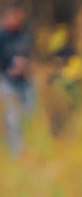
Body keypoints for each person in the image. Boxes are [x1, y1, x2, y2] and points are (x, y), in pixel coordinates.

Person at [0, 5, 31, 158]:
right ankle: (15, 154)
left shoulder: (25, 33)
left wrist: (22, 65)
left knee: (27, 116)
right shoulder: (1, 36)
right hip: (6, 82)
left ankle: (24, 151)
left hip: (24, 83)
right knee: (12, 117)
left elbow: (26, 52)